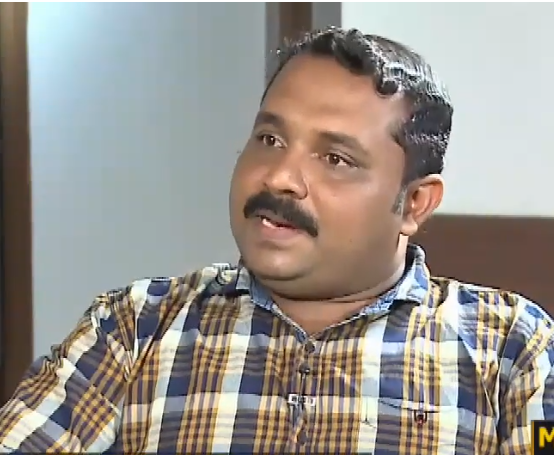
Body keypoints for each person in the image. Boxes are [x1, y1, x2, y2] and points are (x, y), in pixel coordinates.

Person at [0, 26, 552, 455]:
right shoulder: (133, 329)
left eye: (335, 158)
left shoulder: (511, 350)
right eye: (269, 138)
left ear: (414, 204)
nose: (280, 177)